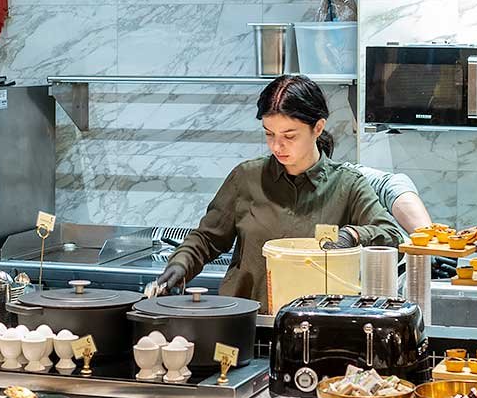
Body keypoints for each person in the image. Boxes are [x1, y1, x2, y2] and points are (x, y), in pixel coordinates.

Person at [147, 74, 402, 311]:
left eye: (289, 136)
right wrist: (180, 264)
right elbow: (207, 239)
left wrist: (353, 234)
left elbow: (392, 236)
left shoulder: (348, 185)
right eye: (269, 134)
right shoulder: (247, 178)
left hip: (318, 326)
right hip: (248, 321)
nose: (277, 146)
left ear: (318, 127)